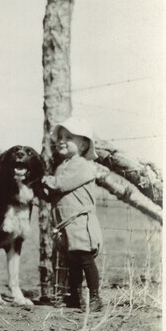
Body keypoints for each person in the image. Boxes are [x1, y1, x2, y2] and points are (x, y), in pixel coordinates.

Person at [41, 117, 103, 312]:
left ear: (83, 143)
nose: (61, 140)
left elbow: (60, 184)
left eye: (68, 137)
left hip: (79, 222)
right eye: (60, 136)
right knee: (72, 262)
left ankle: (95, 297)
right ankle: (74, 297)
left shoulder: (83, 166)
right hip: (66, 224)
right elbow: (55, 193)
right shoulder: (62, 166)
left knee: (84, 259)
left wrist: (41, 180)